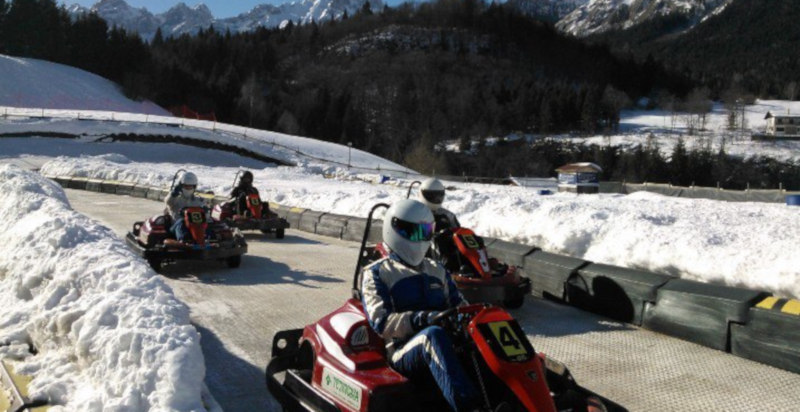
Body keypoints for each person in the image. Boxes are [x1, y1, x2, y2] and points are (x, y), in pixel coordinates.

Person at [361, 199, 481, 412]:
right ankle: (468, 407)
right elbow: (381, 323)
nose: (420, 239)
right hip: (403, 349)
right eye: (413, 233)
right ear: (394, 229)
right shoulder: (377, 272)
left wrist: (475, 316)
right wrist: (422, 319)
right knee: (431, 336)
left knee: (483, 334)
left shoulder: (437, 269)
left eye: (424, 232)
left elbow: (460, 305)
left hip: (444, 340)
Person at [419, 178, 462, 273]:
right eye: (432, 196)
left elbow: (459, 232)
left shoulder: (448, 215)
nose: (436, 199)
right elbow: (416, 237)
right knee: (439, 242)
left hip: (448, 251)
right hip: (424, 251)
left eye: (439, 196)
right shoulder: (416, 213)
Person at [165, 171, 206, 242]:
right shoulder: (175, 199)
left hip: (194, 228)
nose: (188, 188)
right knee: (182, 221)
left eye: (190, 186)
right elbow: (168, 201)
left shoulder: (198, 201)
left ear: (194, 187)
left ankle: (208, 239)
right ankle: (183, 240)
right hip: (175, 228)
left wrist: (205, 210)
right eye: (186, 186)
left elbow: (204, 215)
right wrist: (172, 195)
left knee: (206, 223)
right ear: (181, 186)